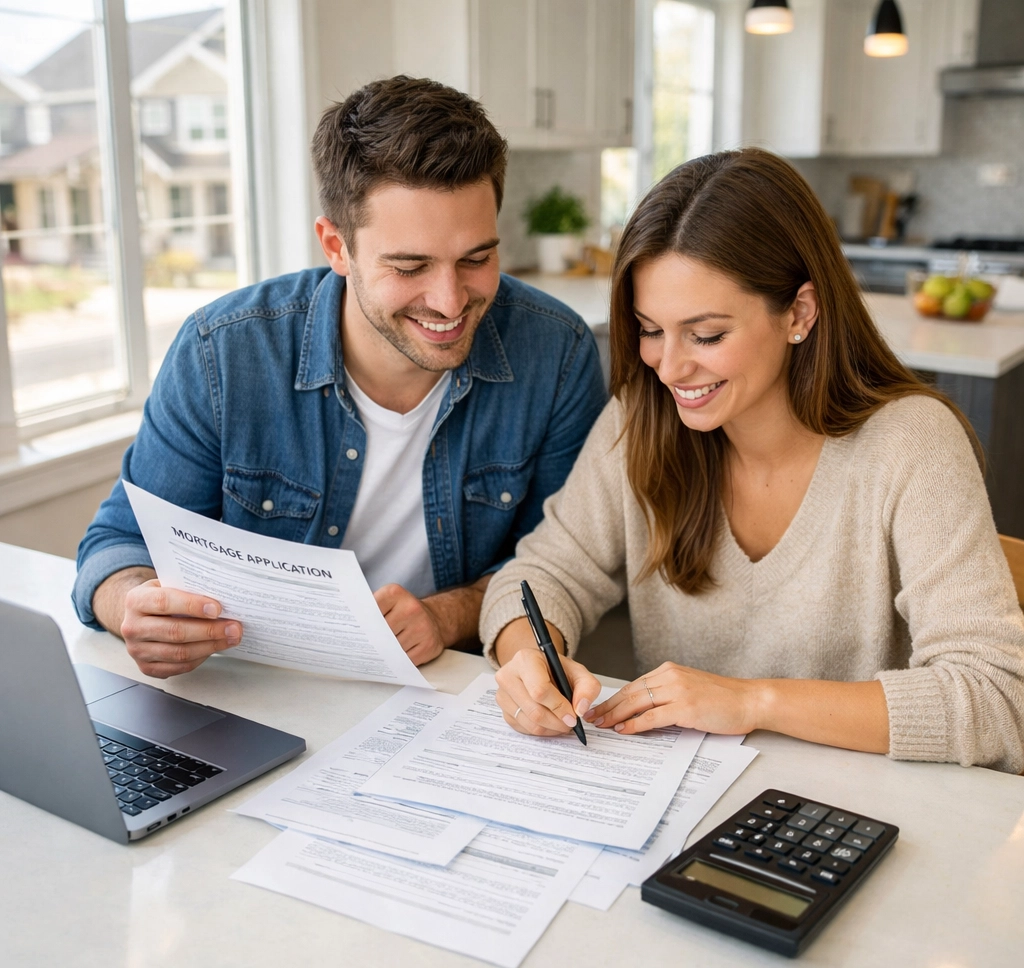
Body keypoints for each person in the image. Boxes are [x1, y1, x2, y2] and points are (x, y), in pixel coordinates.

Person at [482, 148, 1024, 773]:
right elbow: (541, 575)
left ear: (799, 312)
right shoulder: (641, 420)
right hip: (686, 804)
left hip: (854, 818)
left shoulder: (910, 444)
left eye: (707, 335)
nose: (670, 367)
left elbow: (998, 697)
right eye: (650, 329)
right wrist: (530, 655)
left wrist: (753, 701)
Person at [74, 76, 606, 678]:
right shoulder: (222, 354)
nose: (451, 300)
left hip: (445, 689)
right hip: (258, 686)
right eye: (410, 266)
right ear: (336, 246)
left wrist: (445, 615)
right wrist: (133, 607)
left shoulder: (557, 353)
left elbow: (559, 565)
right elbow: (117, 547)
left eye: (477, 259)